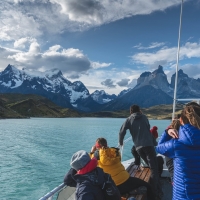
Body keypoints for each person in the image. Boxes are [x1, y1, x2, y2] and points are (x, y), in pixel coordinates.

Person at [118, 104, 162, 199]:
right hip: (148, 146)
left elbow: (122, 131)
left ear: (131, 111)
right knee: (154, 169)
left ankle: (154, 188)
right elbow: (148, 130)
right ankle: (155, 193)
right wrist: (154, 142)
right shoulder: (144, 117)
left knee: (151, 167)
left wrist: (121, 141)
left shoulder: (129, 119)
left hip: (138, 148)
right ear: (139, 110)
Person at [156, 105, 200, 200]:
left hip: (183, 197)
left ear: (181, 120)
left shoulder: (175, 144)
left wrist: (167, 132)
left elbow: (159, 148)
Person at [90, 137, 156, 199]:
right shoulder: (114, 151)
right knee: (147, 186)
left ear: (97, 147)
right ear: (106, 144)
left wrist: (92, 151)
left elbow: (89, 164)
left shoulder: (95, 157)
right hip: (125, 180)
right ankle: (131, 191)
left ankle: (128, 192)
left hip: (113, 187)